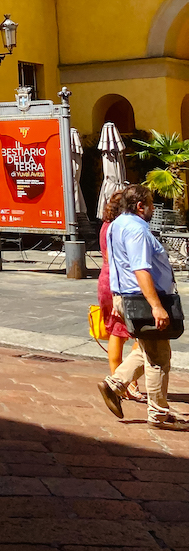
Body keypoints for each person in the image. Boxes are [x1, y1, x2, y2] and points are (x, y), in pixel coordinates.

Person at [98, 183, 186, 429]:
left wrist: (119, 297)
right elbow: (140, 268)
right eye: (150, 203)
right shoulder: (137, 229)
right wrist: (156, 306)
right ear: (140, 206)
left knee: (147, 348)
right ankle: (158, 414)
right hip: (144, 299)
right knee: (158, 358)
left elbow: (115, 263)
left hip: (128, 297)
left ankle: (115, 384)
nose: (152, 209)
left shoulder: (115, 226)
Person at [97, 193, 146, 402]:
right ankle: (125, 382)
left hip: (106, 279)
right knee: (140, 332)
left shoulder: (106, 226)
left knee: (117, 332)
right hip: (121, 282)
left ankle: (119, 380)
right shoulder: (122, 227)